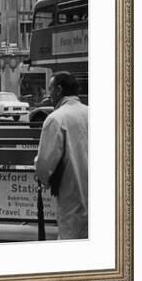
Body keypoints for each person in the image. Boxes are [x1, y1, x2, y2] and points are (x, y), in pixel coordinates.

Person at [35, 72, 88, 239]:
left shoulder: (55, 119)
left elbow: (44, 165)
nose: (48, 94)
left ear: (58, 90)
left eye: (50, 89)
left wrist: (43, 178)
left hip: (71, 197)